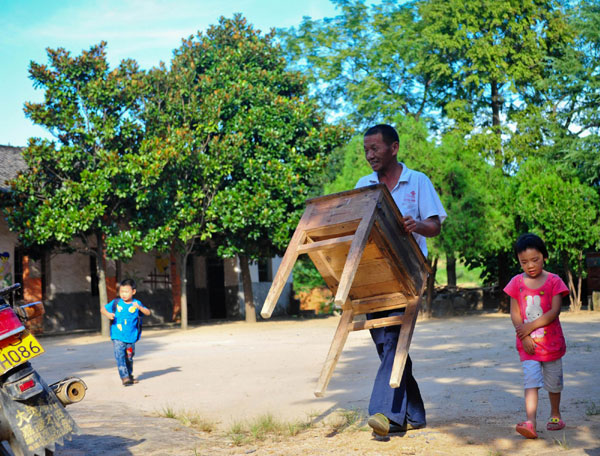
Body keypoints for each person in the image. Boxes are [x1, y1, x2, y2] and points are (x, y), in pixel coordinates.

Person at [355, 124, 446, 436]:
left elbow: (435, 226)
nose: (370, 155)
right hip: (373, 275)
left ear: (393, 148)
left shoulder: (417, 181)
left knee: (394, 340)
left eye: (375, 149)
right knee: (385, 344)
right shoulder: (364, 184)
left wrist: (416, 225)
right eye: (366, 150)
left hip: (408, 273)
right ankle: (415, 413)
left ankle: (386, 415)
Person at [504, 233, 569, 439]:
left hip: (551, 345)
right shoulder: (516, 282)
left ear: (544, 257)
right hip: (528, 346)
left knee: (554, 383)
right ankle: (530, 422)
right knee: (530, 382)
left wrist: (529, 326)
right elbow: (515, 313)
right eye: (524, 262)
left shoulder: (554, 281)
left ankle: (555, 415)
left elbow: (554, 311)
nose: (530, 265)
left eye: (535, 260)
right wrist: (523, 336)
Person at [100, 278, 151, 386]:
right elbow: (103, 309)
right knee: (120, 356)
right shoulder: (116, 303)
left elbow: (147, 312)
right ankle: (124, 377)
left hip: (131, 337)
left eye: (126, 292)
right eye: (121, 292)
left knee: (129, 357)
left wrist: (140, 308)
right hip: (117, 336)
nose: (123, 294)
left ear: (133, 292)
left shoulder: (137, 303)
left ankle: (129, 375)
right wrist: (108, 315)